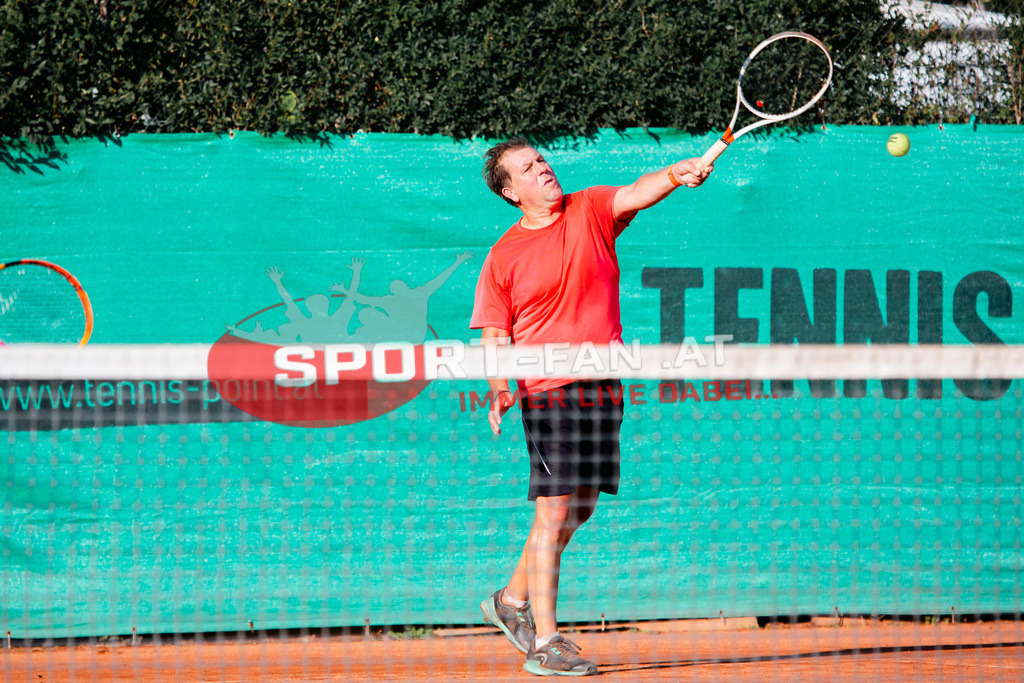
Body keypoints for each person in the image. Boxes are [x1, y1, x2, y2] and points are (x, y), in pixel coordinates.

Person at [470, 136, 712, 676]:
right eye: (528, 169)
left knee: (579, 509)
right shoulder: (503, 255)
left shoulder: (590, 210)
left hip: (603, 383)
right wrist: (498, 384)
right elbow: (493, 330)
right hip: (546, 389)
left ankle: (509, 600)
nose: (543, 170)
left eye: (542, 161)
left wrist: (677, 173)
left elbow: (634, 194)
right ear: (511, 192)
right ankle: (546, 641)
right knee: (553, 511)